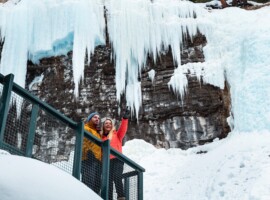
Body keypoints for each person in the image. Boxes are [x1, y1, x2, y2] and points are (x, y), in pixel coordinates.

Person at [101, 107, 130, 200]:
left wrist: (125, 119)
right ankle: (108, 198)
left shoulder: (117, 135)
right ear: (103, 126)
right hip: (107, 162)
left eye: (110, 123)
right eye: (106, 123)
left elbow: (123, 129)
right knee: (108, 181)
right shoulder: (100, 138)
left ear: (112, 125)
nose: (108, 124)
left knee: (117, 176)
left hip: (117, 159)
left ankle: (121, 196)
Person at [81, 112, 102, 194]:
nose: (97, 119)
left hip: (97, 161)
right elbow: (83, 141)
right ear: (90, 119)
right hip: (88, 159)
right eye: (95, 117)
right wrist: (88, 152)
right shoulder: (86, 128)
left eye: (98, 118)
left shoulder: (97, 133)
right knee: (89, 183)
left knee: (97, 186)